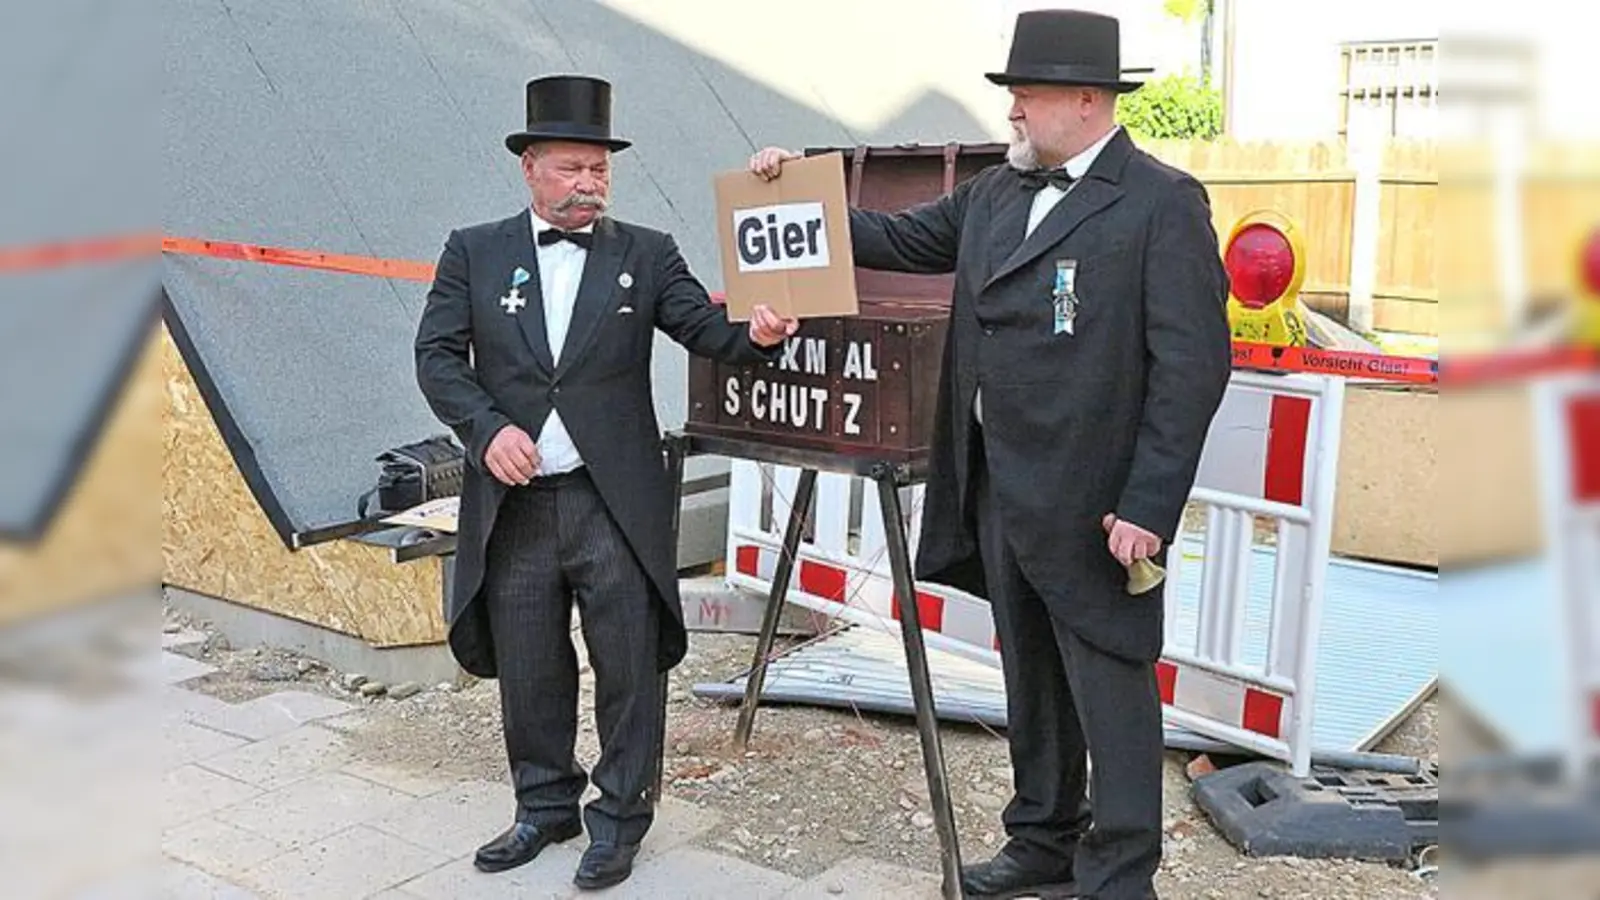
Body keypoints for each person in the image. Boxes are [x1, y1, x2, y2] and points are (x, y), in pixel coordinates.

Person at [749, 9, 1231, 899]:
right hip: (1001, 483)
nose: (1010, 114)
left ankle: (1121, 874)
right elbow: (895, 240)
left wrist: (1149, 505)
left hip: (1097, 502)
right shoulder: (994, 194)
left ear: (1088, 101)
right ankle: (1043, 840)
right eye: (1010, 96)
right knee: (1031, 675)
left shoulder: (1162, 203)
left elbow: (1193, 368)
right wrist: (797, 190)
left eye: (1026, 98)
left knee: (1110, 685)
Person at [415, 74, 797, 891]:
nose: (588, 184)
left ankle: (619, 820)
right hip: (515, 503)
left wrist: (759, 334)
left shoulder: (646, 253)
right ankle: (543, 805)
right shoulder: (473, 251)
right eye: (570, 169)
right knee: (529, 664)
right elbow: (437, 359)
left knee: (629, 667)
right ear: (529, 168)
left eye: (600, 170)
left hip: (613, 500)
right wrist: (486, 433)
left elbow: (707, 330)